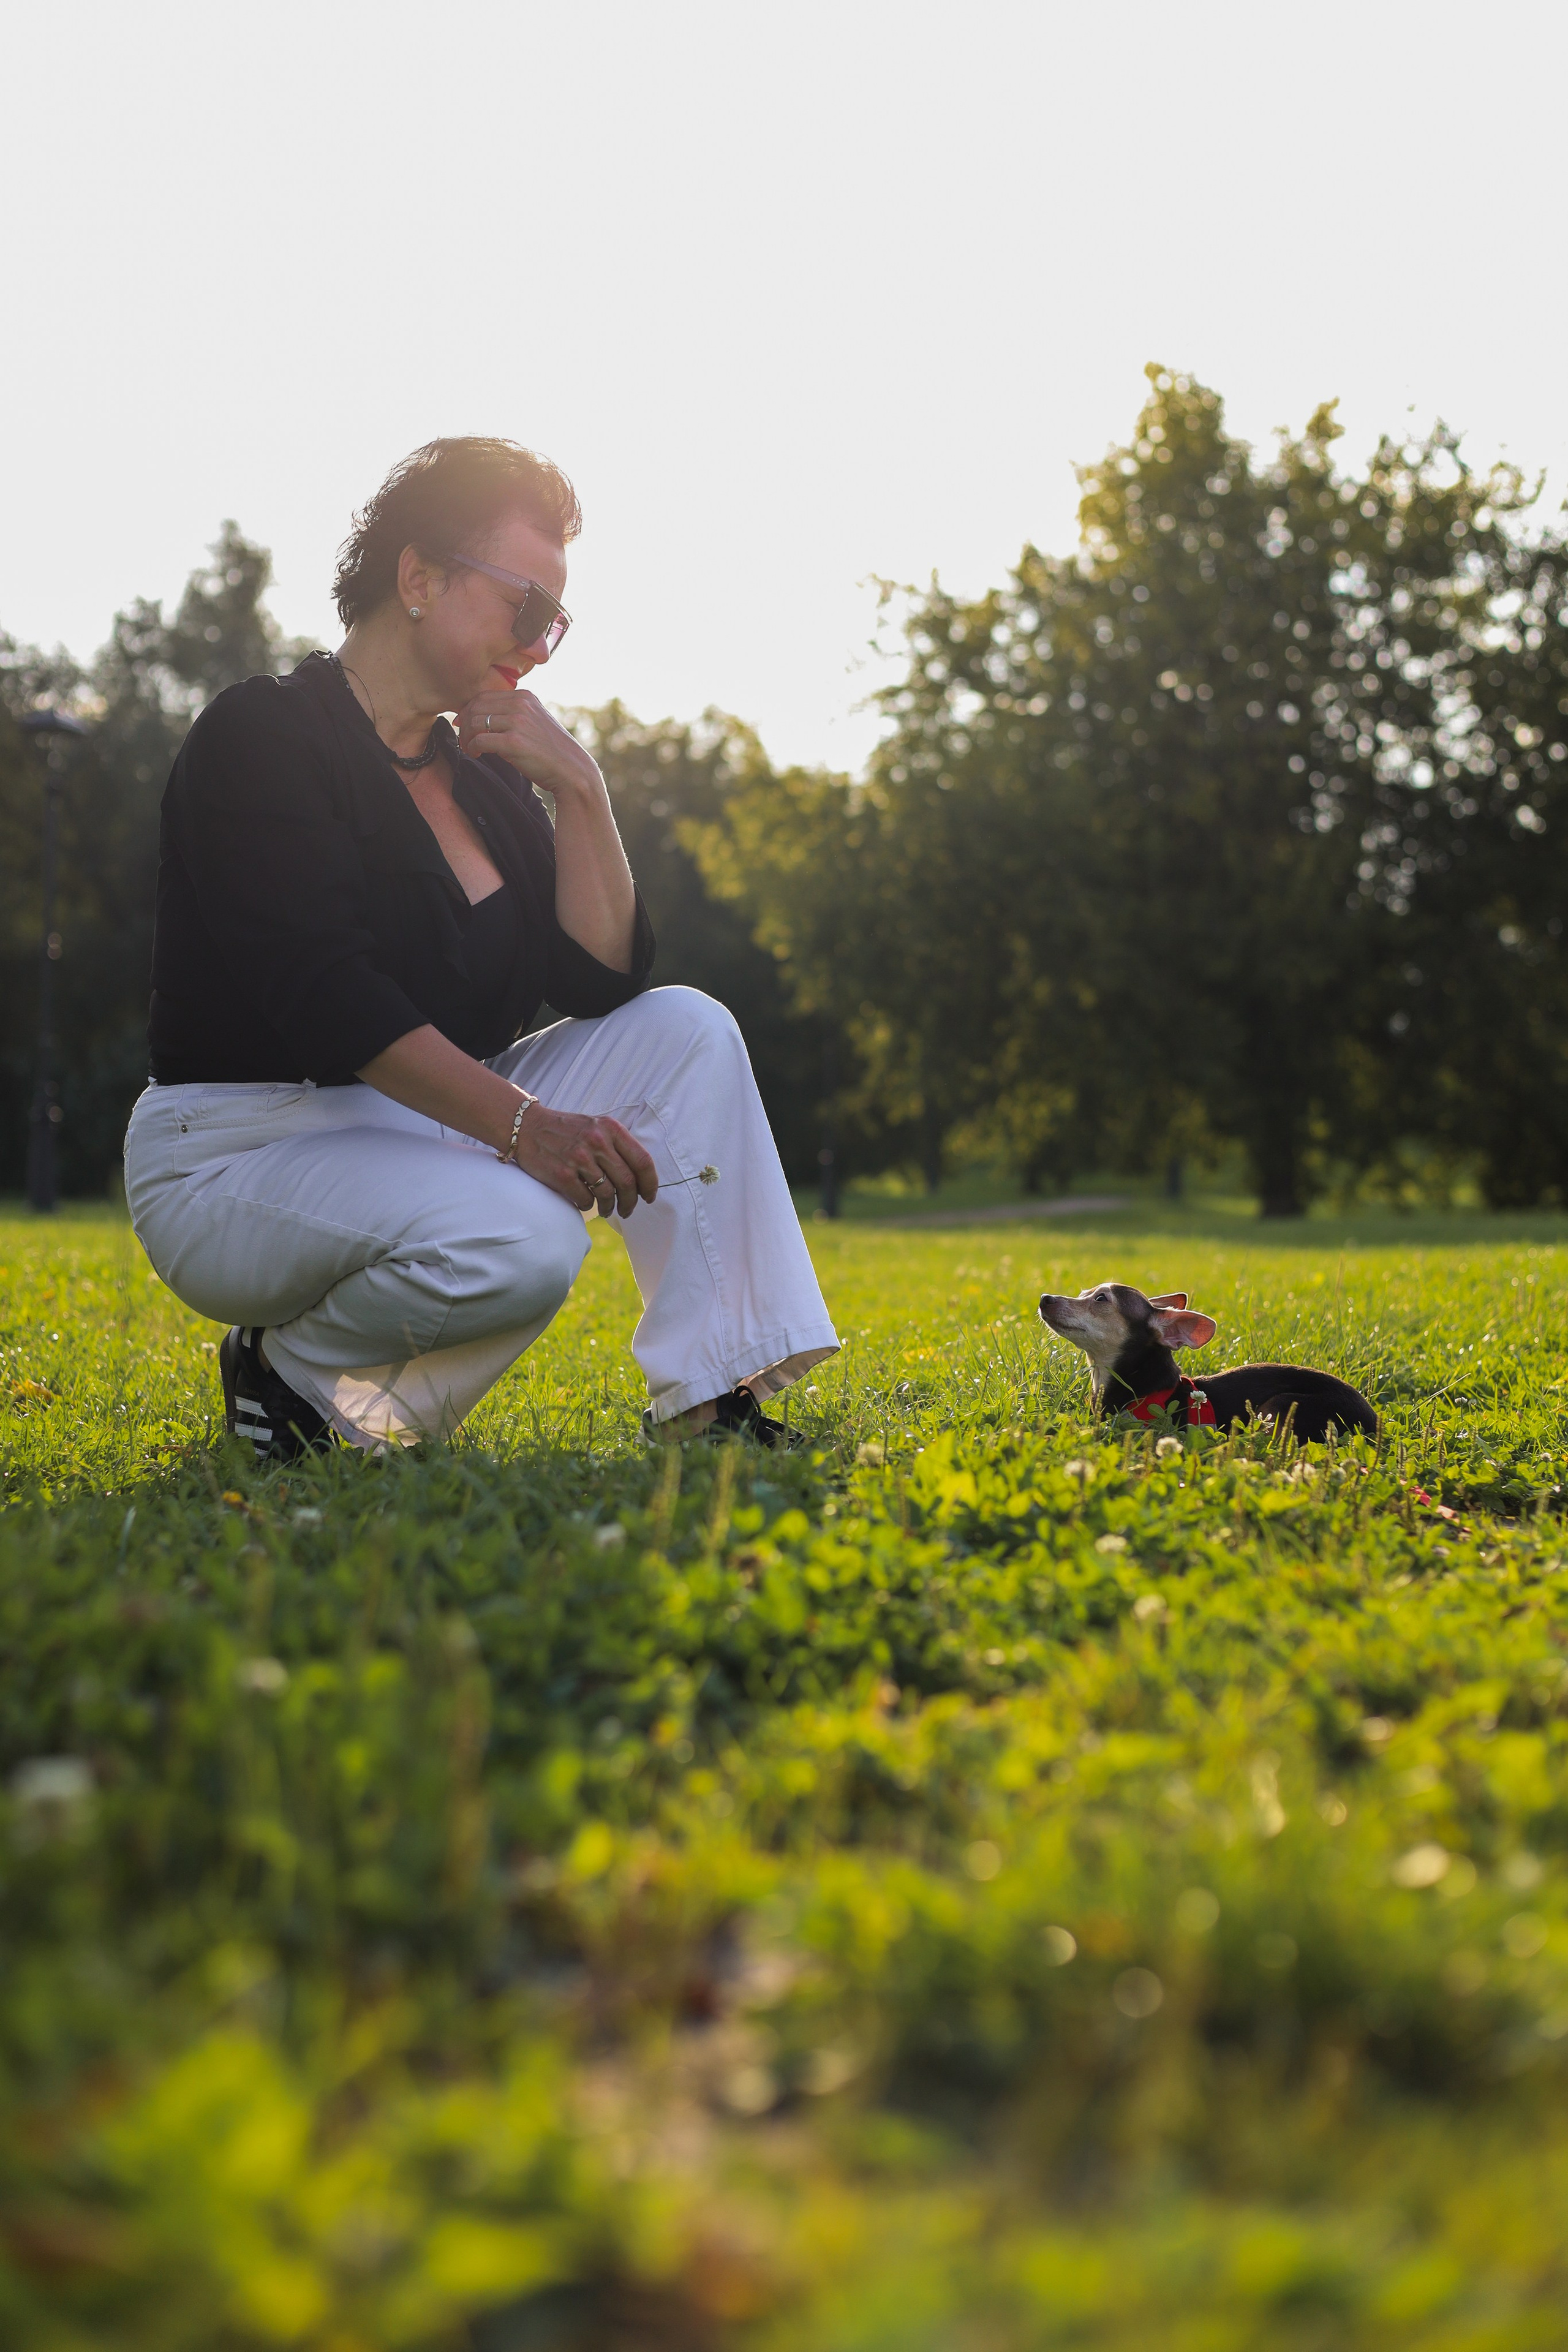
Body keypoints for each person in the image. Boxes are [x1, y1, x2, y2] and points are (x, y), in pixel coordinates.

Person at [123, 437, 839, 1460]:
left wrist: (581, 788)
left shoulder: (487, 777)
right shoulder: (263, 735)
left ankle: (712, 1400)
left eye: (557, 619)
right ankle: (290, 1382)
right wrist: (526, 1129)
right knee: (525, 1238)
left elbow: (599, 978)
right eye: (524, 606)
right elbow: (327, 997)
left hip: (408, 1126)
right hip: (239, 1152)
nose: (541, 644)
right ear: (418, 577)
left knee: (688, 1028)